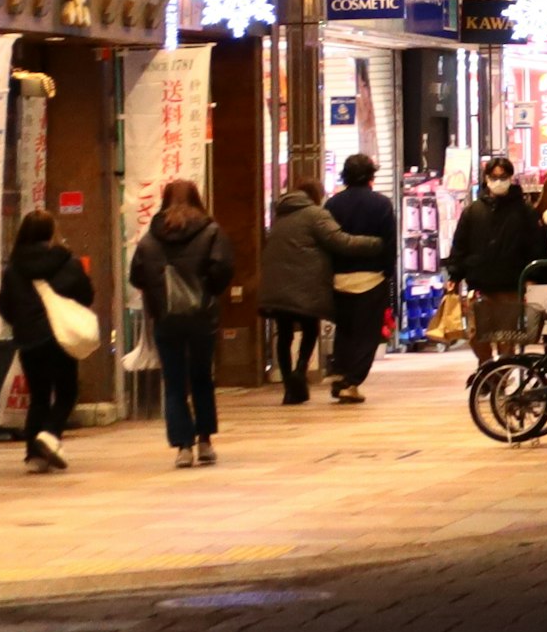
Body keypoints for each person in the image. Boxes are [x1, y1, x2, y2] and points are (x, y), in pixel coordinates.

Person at [130, 178, 236, 466]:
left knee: (174, 382)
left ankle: (183, 447)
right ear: (196, 198)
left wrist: (158, 293)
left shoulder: (151, 238)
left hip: (166, 319)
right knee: (202, 377)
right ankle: (204, 442)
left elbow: (137, 276)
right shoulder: (211, 231)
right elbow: (223, 268)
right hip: (202, 318)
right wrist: (206, 292)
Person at [257, 180, 382, 405]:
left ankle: (289, 385)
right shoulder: (315, 214)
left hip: (276, 285)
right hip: (305, 286)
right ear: (315, 195)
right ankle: (300, 369)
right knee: (309, 329)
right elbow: (340, 241)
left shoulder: (280, 216)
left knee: (283, 334)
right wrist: (374, 243)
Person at [0, 211, 95, 473]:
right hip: (60, 336)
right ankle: (50, 434)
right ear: (51, 233)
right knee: (66, 392)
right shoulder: (66, 261)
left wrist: (22, 323)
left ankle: (33, 456)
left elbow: (3, 305)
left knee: (38, 396)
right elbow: (86, 295)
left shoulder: (13, 268)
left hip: (28, 339)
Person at [445, 153, 542, 359]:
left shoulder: (524, 212)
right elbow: (460, 244)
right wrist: (455, 275)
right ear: (486, 178)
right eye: (494, 177)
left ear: (511, 178)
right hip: (480, 284)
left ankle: (501, 376)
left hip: (510, 285)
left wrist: (533, 276)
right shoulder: (473, 211)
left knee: (507, 338)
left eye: (503, 176)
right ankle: (487, 370)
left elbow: (534, 245)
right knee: (476, 334)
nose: (498, 181)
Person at [324, 152, 398, 400]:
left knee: (344, 330)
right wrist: (388, 273)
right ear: (370, 176)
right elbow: (389, 245)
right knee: (366, 334)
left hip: (339, 278)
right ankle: (351, 381)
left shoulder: (332, 205)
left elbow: (326, 244)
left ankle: (340, 373)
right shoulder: (381, 204)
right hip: (372, 278)